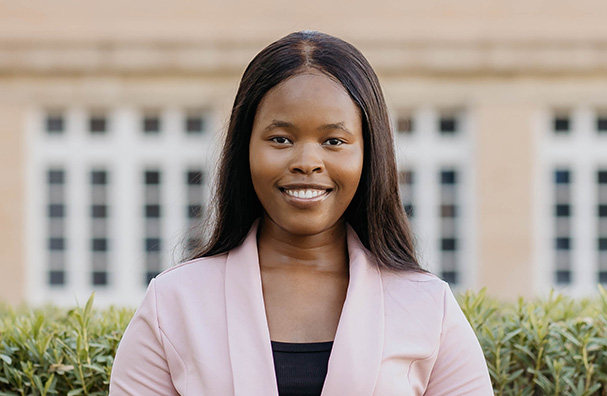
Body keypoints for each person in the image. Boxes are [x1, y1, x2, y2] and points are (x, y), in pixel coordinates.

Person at [109, 31, 493, 395]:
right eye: (281, 139)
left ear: (368, 153)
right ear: (244, 148)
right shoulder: (174, 303)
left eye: (333, 141)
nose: (307, 162)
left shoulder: (428, 307)